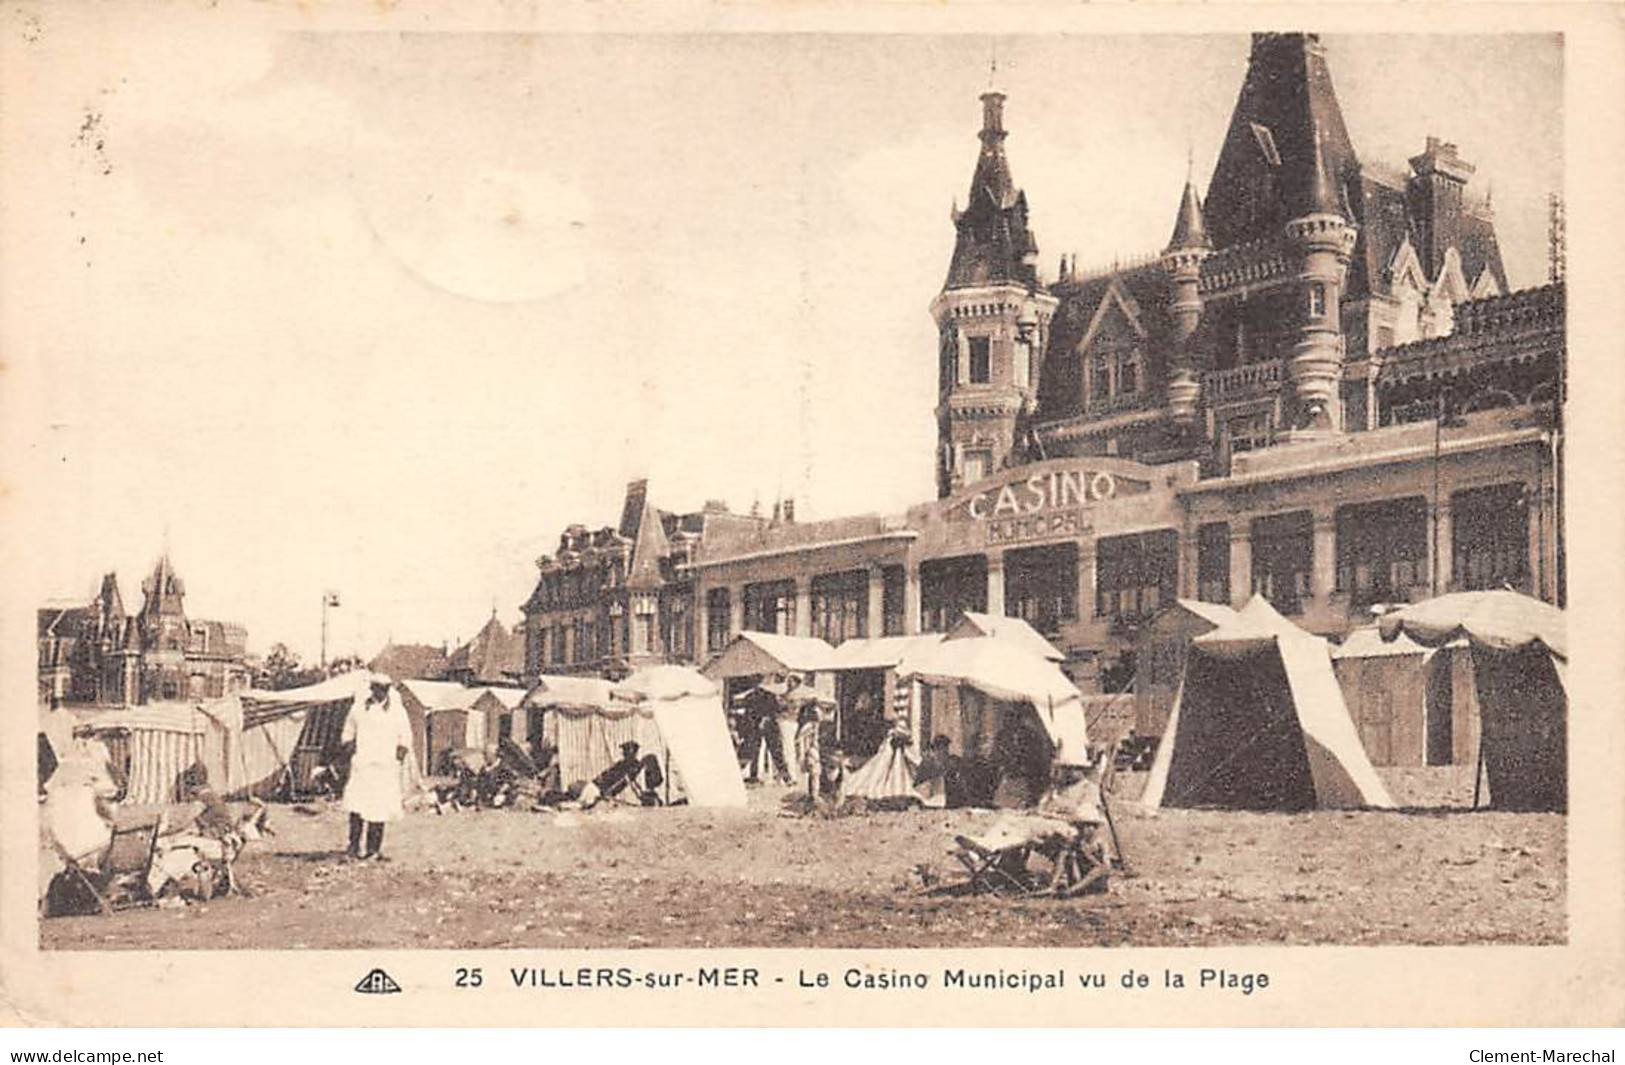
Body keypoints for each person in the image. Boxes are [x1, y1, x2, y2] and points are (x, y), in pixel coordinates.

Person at [340, 676, 412, 861]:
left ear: (388, 690)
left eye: (382, 689)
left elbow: (405, 738)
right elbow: (348, 733)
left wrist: (397, 758)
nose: (378, 692)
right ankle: (353, 847)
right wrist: (352, 750)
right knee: (357, 805)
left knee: (379, 808)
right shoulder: (359, 709)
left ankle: (374, 850)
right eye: (375, 688)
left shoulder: (397, 712)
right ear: (371, 689)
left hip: (384, 768)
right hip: (362, 766)